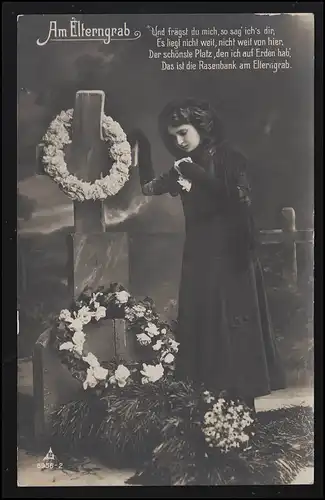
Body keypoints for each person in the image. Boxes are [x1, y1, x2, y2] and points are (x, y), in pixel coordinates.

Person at [137, 98, 286, 411]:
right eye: (172, 136)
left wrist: (196, 174)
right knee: (206, 328)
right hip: (200, 260)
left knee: (235, 329)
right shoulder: (182, 166)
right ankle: (211, 413)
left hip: (233, 257)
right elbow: (148, 188)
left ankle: (243, 414)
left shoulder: (231, 159)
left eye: (182, 132)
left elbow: (236, 202)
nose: (178, 141)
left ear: (201, 127)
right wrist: (143, 146)